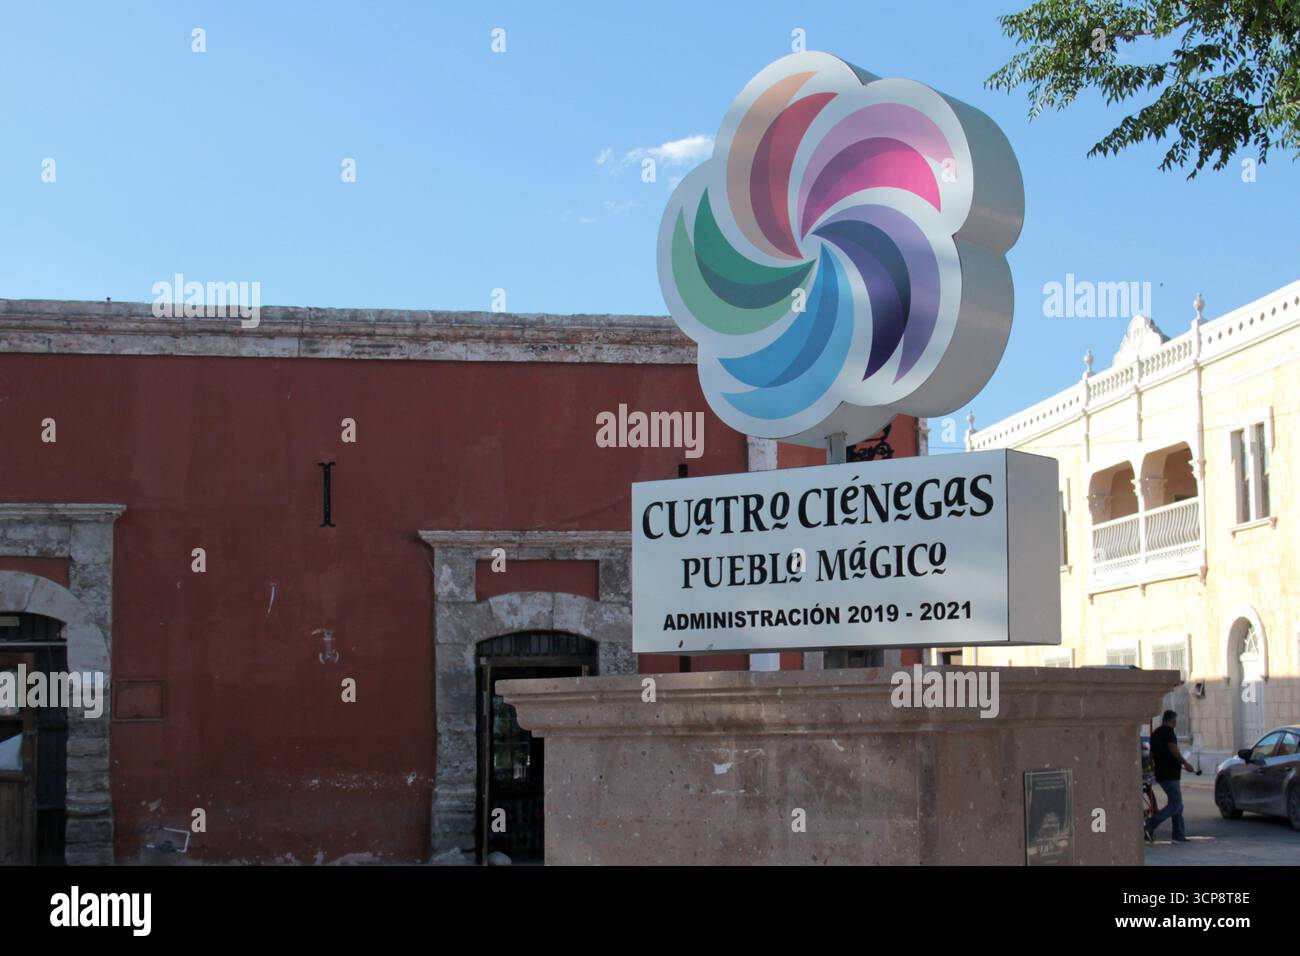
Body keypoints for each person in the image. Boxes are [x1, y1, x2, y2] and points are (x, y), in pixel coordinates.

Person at [1144, 710, 1201, 844]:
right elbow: (1173, 749)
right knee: (1175, 803)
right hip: (1170, 773)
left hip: (1162, 772)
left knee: (1177, 804)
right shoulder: (1169, 733)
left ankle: (1178, 834)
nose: (1176, 723)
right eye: (1175, 721)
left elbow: (1152, 754)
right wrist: (1185, 763)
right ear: (1172, 721)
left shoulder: (1156, 733)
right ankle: (1150, 824)